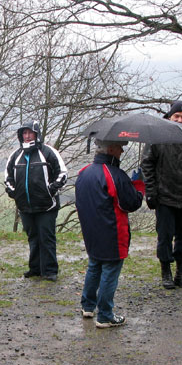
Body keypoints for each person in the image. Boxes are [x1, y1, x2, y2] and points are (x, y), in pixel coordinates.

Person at [75, 140, 144, 328]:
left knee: (94, 265)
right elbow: (131, 204)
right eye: (120, 146)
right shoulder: (115, 175)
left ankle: (88, 306)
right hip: (112, 231)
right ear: (111, 149)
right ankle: (105, 315)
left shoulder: (84, 172)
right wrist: (138, 185)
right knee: (110, 270)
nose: (122, 150)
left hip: (90, 231)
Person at [142, 101, 182, 289]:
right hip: (164, 197)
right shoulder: (156, 138)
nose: (179, 119)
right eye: (176, 116)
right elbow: (147, 165)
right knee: (165, 236)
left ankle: (181, 271)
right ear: (170, 117)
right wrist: (151, 193)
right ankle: (165, 271)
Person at [3, 121, 68, 281]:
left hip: (47, 205)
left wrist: (50, 190)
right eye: (24, 133)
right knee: (32, 237)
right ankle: (35, 268)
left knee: (46, 237)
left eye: (30, 133)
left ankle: (50, 270)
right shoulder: (15, 155)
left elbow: (63, 173)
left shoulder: (48, 152)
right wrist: (14, 193)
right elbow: (8, 177)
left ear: (37, 134)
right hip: (24, 206)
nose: (27, 136)